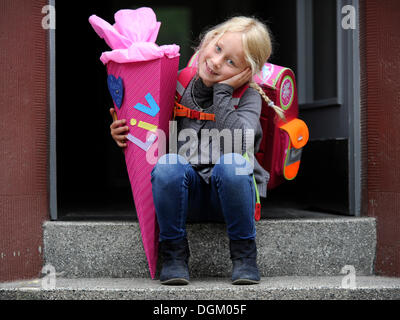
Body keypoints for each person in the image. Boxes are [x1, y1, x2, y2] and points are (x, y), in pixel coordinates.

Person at [109, 16, 284, 285]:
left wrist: (224, 92)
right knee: (168, 164)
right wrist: (125, 130)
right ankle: (174, 255)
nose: (216, 62)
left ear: (246, 73)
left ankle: (244, 256)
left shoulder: (247, 96)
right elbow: (150, 129)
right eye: (217, 49)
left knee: (234, 164)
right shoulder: (179, 84)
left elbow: (238, 143)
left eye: (231, 62)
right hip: (185, 196)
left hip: (228, 197)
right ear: (207, 41)